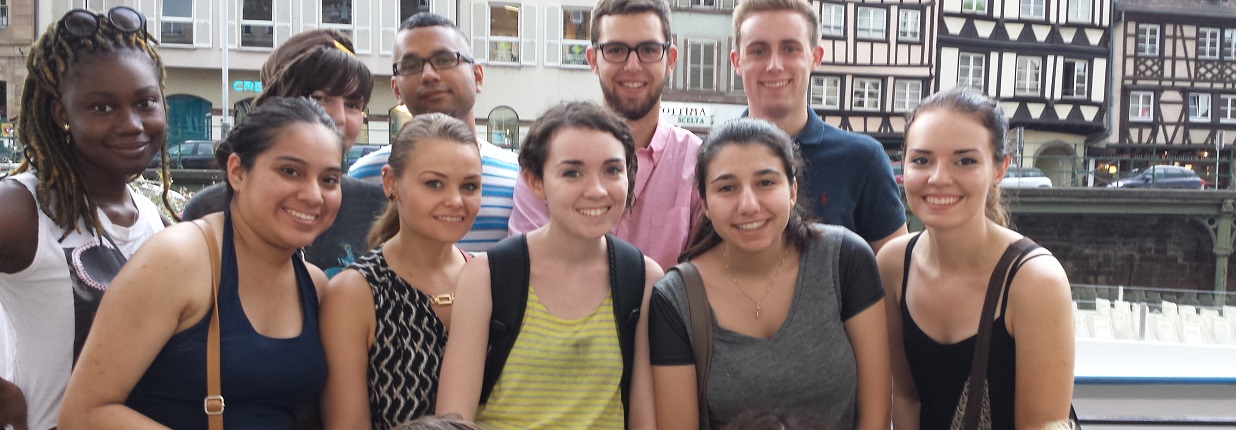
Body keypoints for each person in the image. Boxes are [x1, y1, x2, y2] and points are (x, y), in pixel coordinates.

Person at [58, 97, 344, 428]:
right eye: (290, 171)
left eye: (329, 180)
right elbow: (83, 414)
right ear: (237, 172)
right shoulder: (179, 259)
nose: (313, 195)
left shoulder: (315, 286)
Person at [648, 118, 890, 430]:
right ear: (705, 204)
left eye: (765, 183)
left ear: (792, 190)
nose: (748, 205)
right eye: (727, 188)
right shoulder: (676, 299)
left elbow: (877, 416)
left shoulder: (845, 259)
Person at [435, 100, 661, 429]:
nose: (596, 190)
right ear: (535, 181)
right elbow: (453, 419)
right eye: (572, 172)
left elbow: (643, 417)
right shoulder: (487, 276)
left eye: (612, 170)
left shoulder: (642, 278)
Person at [0, 6, 170, 429]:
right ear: (62, 114)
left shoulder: (150, 216)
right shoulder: (22, 209)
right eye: (102, 108)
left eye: (145, 102)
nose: (131, 124)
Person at [876, 88, 1074, 429]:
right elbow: (905, 397)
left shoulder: (1035, 282)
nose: (938, 178)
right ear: (903, 166)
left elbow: (1042, 425)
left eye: (965, 160)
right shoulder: (894, 264)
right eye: (922, 160)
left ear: (999, 169)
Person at [508, 0, 701, 270]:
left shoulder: (697, 161)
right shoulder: (548, 152)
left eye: (648, 49)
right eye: (616, 50)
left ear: (670, 61)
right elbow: (528, 265)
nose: (633, 65)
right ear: (592, 60)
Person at [319, 113, 481, 429]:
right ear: (390, 182)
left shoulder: (489, 276)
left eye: (470, 186)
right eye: (434, 183)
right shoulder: (355, 293)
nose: (455, 201)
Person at [181, 29, 385, 277]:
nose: (339, 118)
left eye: (353, 105)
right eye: (320, 98)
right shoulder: (209, 213)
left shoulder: (378, 206)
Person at [730, 0, 906, 253]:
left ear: (815, 57)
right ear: (737, 62)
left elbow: (896, 273)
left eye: (790, 49)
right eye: (759, 51)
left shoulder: (863, 160)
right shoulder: (712, 160)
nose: (774, 65)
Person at [348, 13, 519, 252]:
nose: (428, 74)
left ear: (477, 77)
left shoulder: (521, 178)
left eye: (445, 59)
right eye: (410, 66)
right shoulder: (363, 177)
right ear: (396, 89)